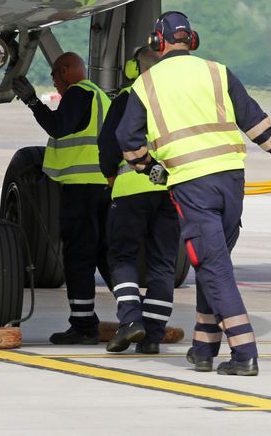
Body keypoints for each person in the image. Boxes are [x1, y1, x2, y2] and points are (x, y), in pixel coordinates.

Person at [116, 11, 271, 376]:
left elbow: (127, 140)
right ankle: (203, 349)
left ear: (157, 43)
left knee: (214, 267)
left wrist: (150, 168)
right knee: (212, 262)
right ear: (193, 40)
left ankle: (244, 352)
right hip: (232, 183)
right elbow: (256, 121)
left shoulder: (147, 84)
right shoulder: (218, 72)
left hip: (192, 184)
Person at [11, 52, 112, 345]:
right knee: (107, 256)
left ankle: (83, 326)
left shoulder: (78, 93)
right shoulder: (98, 95)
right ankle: (134, 318)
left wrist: (32, 101)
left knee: (78, 258)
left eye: (55, 77)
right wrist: (44, 173)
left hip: (81, 190)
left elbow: (59, 127)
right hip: (103, 186)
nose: (55, 84)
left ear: (66, 71)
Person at [97, 46, 179, 354]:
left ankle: (131, 320)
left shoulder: (129, 97)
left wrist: (110, 176)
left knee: (122, 257)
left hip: (131, 188)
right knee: (162, 264)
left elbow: (109, 144)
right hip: (171, 189)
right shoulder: (176, 99)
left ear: (135, 68)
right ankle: (153, 337)